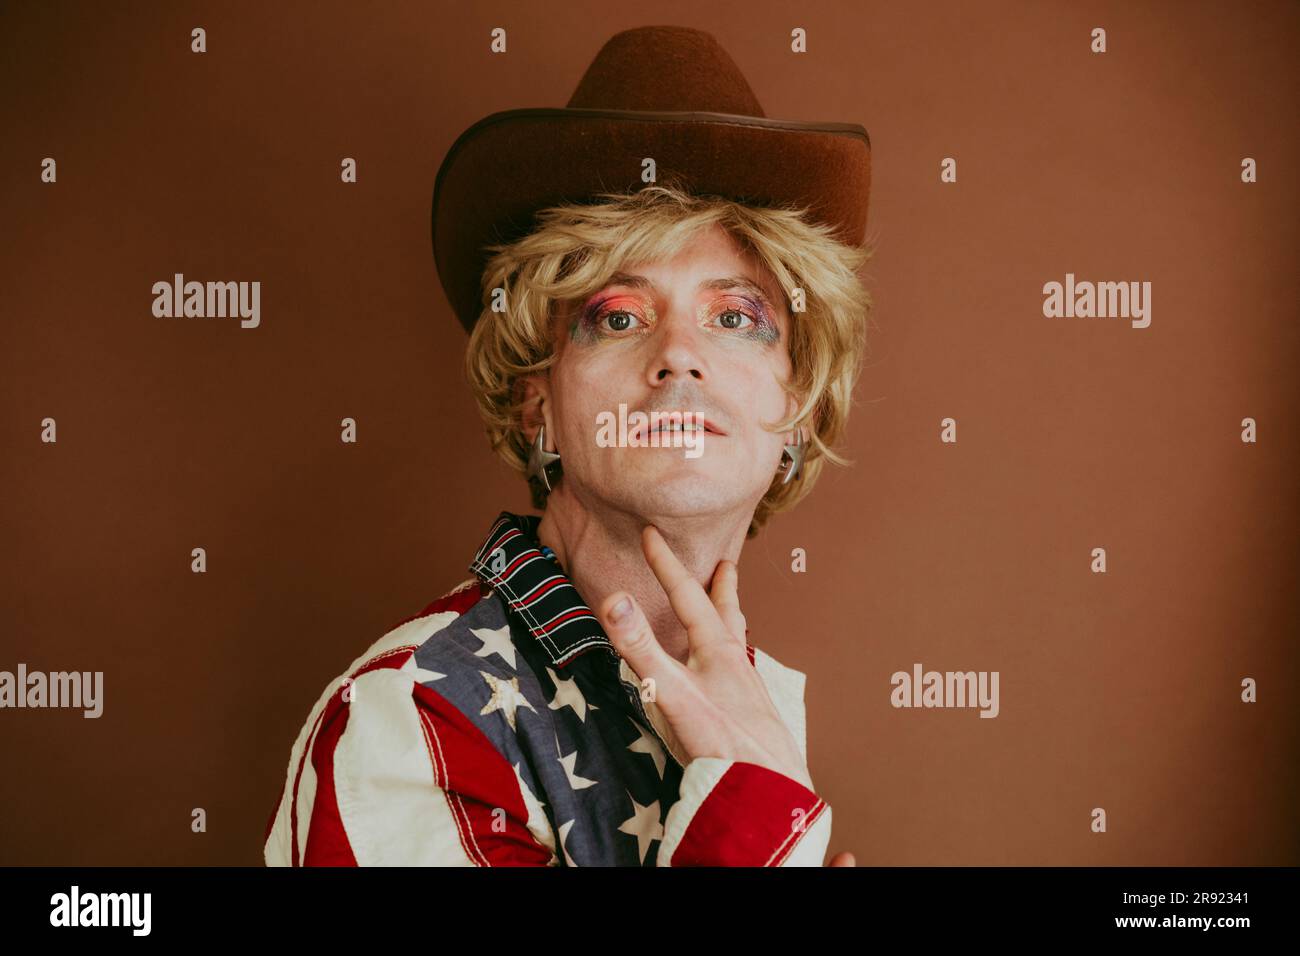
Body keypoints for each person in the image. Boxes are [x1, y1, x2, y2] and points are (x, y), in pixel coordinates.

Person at [263, 24, 873, 867]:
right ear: (535, 402)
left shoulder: (755, 707)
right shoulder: (415, 723)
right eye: (618, 317)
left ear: (798, 412)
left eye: (736, 318)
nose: (680, 356)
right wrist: (752, 821)